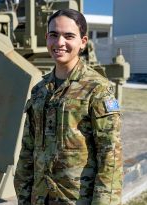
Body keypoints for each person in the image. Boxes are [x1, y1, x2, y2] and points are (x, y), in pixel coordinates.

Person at [14, 8, 123, 204]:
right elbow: (27, 151)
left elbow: (110, 158)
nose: (59, 43)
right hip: (40, 198)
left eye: (69, 36)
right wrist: (23, 196)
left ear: (82, 42)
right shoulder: (39, 91)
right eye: (54, 35)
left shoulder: (97, 90)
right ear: (46, 38)